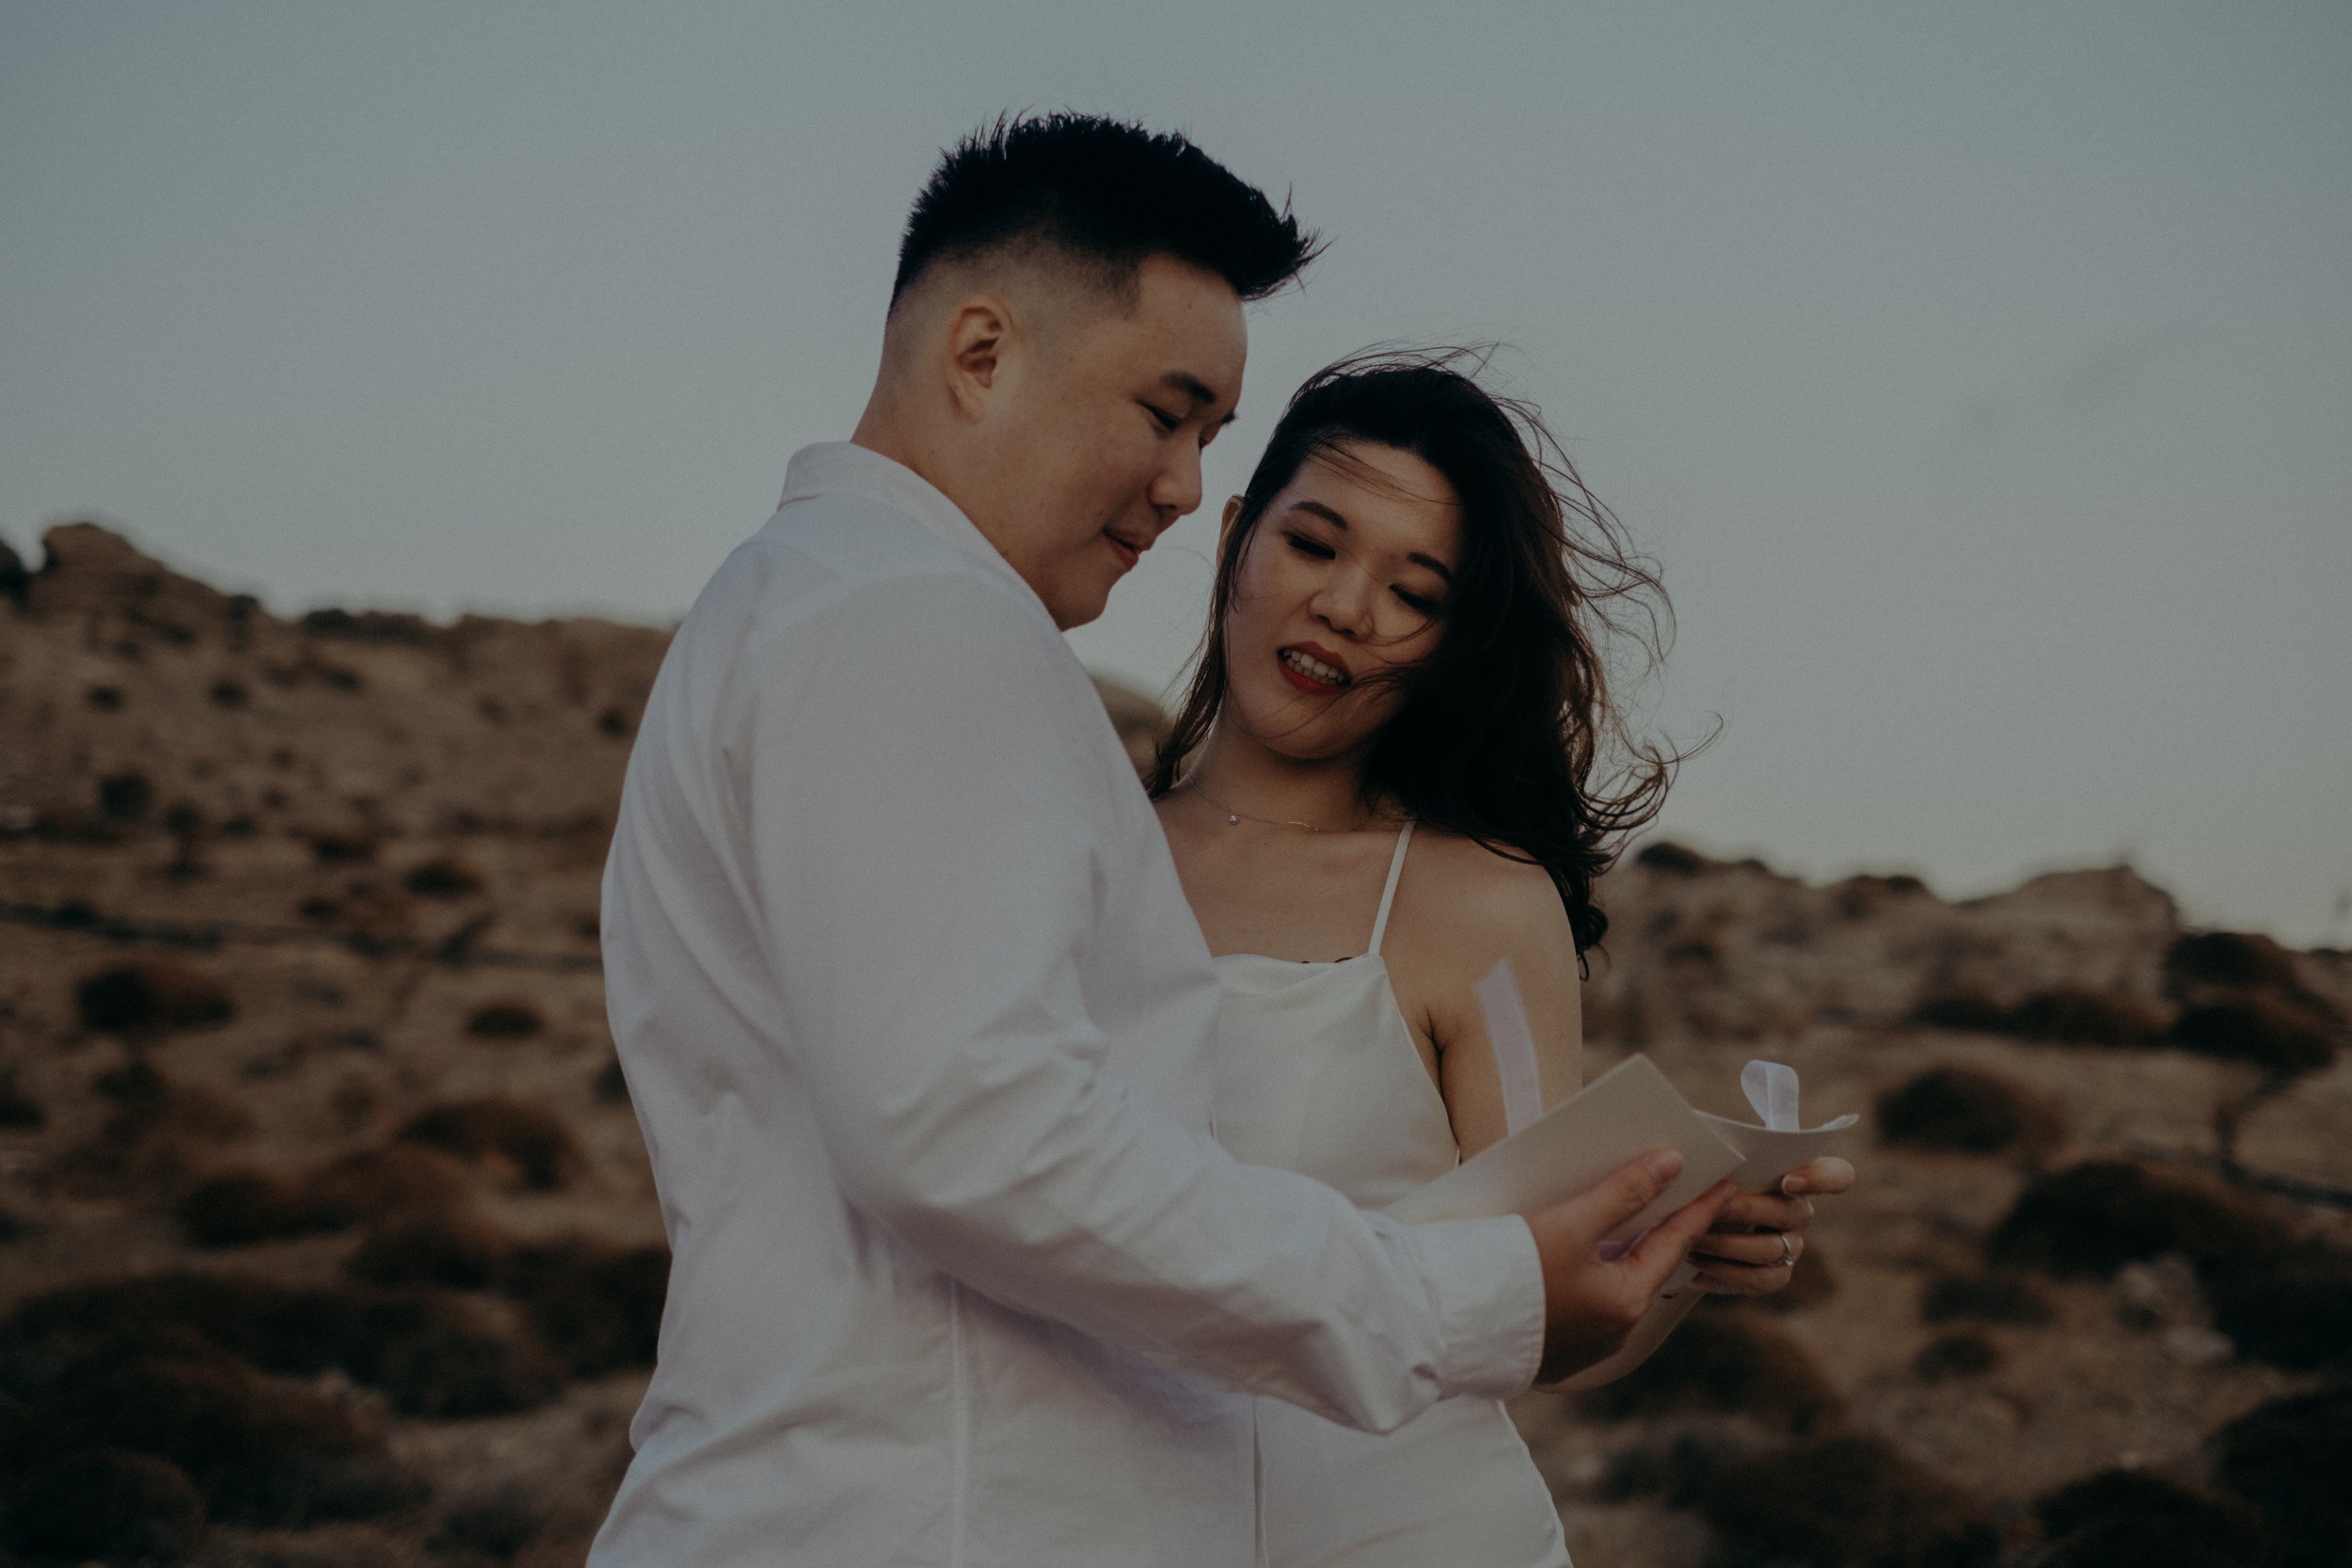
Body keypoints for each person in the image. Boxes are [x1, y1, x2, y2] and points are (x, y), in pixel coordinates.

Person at [588, 116, 1740, 1568]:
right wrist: (1456, 1304)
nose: (1184, 484)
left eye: (1208, 436)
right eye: (1166, 411)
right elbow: (973, 1131)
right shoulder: (919, 622)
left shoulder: (798, 602)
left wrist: (1647, 1257)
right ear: (982, 353)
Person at [1151, 350, 1856, 1566]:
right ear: (1233, 541)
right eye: (1313, 545)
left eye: (1415, 593)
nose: (1346, 608)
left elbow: (1549, 1307)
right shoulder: (1071, 845)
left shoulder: (1477, 904)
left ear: (1452, 641)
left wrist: (1689, 1252)